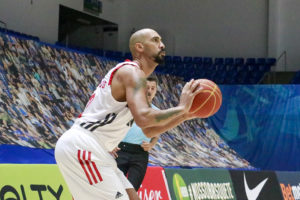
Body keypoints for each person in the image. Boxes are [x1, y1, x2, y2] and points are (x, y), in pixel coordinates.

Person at [55, 28, 202, 200]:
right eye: (155, 40)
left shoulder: (136, 80)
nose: (162, 45)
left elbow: (148, 131)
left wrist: (184, 116)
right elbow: (144, 118)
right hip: (85, 146)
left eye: (161, 40)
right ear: (139, 47)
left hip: (98, 151)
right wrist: (181, 108)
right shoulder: (132, 72)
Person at [116, 76, 160, 191]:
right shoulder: (129, 106)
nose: (149, 91)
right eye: (147, 88)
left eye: (152, 88)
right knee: (115, 190)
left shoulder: (157, 113)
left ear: (155, 91)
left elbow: (156, 136)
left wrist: (151, 145)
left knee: (132, 190)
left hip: (140, 154)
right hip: (121, 150)